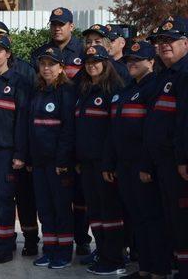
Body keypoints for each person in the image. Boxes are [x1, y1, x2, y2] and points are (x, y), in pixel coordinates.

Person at [104, 41, 171, 279]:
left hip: (144, 166)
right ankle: (144, 268)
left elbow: (152, 132)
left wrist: (146, 165)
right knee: (137, 218)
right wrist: (111, 163)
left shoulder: (155, 88)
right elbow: (116, 130)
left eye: (137, 60)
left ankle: (159, 270)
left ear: (151, 61)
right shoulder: (126, 89)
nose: (131, 64)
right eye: (129, 60)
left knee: (152, 219)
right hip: (125, 165)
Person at [0, 20, 39, 256]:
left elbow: (23, 122)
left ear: (8, 53)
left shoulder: (19, 82)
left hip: (6, 152)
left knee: (4, 199)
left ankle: (6, 245)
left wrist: (21, 154)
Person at [30, 7, 91, 256]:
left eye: (62, 24)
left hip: (70, 144)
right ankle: (53, 247)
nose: (57, 28)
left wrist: (67, 155)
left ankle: (78, 242)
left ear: (71, 26)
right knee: (49, 204)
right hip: (44, 153)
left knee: (75, 201)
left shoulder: (84, 53)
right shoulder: (41, 54)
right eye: (54, 24)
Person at [75, 45, 126, 275]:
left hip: (104, 164)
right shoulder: (85, 90)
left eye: (96, 61)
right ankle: (102, 253)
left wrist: (108, 162)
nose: (92, 65)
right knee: (94, 212)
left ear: (106, 63)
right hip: (86, 163)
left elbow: (114, 132)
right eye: (88, 62)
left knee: (110, 213)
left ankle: (114, 258)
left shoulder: (113, 89)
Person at [143, 17, 188, 278]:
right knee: (171, 220)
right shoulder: (164, 76)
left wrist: (184, 159)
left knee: (182, 222)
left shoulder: (184, 74)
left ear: (185, 42)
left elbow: (184, 122)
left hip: (178, 164)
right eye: (160, 41)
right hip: (163, 164)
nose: (164, 46)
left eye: (170, 41)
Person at [28, 46, 75, 269]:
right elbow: (32, 127)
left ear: (61, 67)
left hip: (58, 163)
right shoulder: (38, 90)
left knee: (61, 208)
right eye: (43, 64)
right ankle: (49, 249)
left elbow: (68, 129)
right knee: (45, 208)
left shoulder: (66, 91)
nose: (46, 68)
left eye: (51, 64)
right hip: (39, 161)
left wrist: (62, 161)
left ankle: (64, 252)